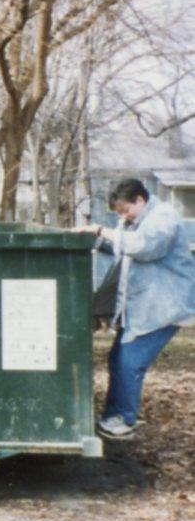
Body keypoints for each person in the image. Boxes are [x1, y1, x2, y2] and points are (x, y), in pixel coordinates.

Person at [74, 178, 195, 440]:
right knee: (118, 359)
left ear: (141, 200)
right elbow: (122, 246)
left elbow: (142, 246)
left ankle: (123, 420)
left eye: (126, 210)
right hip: (143, 307)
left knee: (129, 363)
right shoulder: (137, 220)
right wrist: (93, 239)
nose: (123, 217)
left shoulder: (164, 218)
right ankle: (113, 418)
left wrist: (101, 231)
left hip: (163, 307)